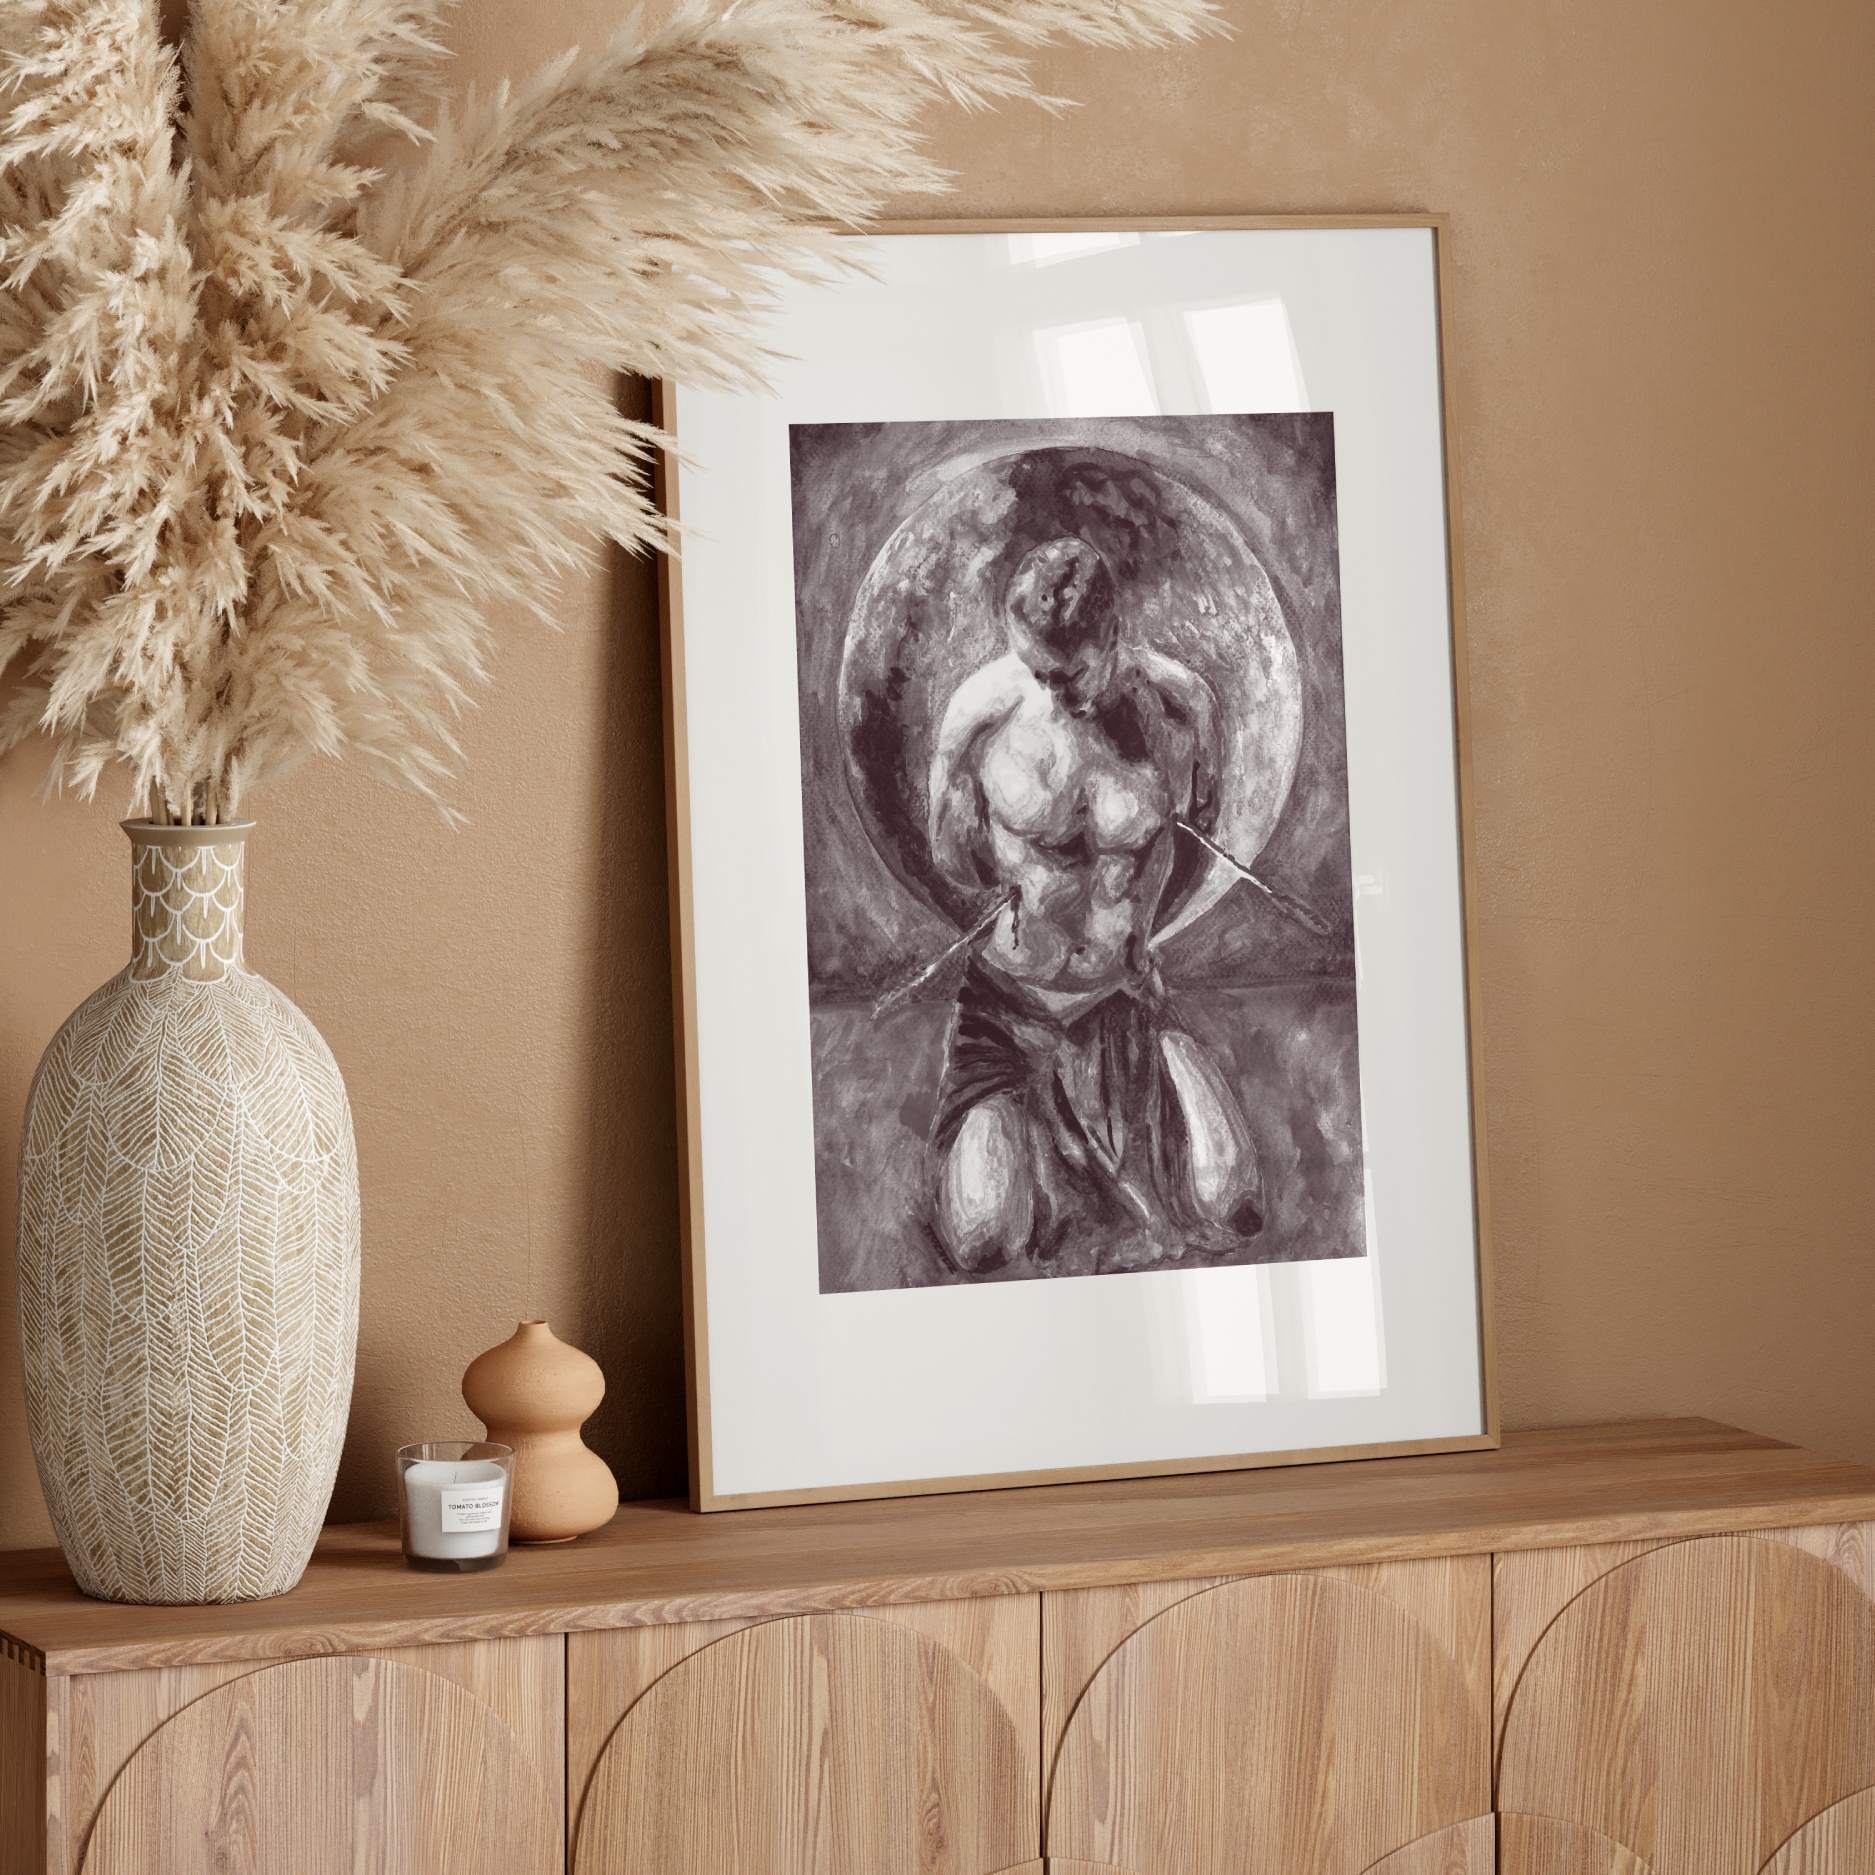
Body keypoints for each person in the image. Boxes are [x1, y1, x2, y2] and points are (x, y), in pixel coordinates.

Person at [926, 536, 1264, 1273]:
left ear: (1112, 634)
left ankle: (1160, 1048)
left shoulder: (1180, 710)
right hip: (1008, 1003)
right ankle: (1023, 1112)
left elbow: (1193, 839)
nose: (1048, 690)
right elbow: (951, 855)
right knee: (979, 1238)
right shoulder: (977, 717)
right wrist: (1028, 892)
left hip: (1122, 996)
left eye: (1067, 673)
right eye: (1033, 667)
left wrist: (1131, 932)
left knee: (1232, 1204)